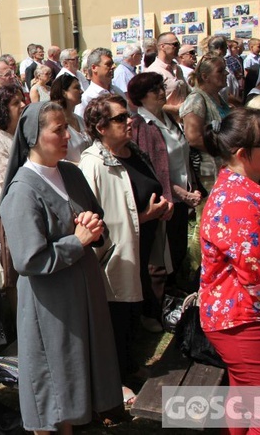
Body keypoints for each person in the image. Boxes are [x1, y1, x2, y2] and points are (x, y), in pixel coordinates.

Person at [0, 101, 122, 434]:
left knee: (78, 370)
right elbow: (28, 258)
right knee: (54, 381)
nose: (68, 135)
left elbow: (97, 223)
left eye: (67, 127)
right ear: (34, 137)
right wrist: (77, 241)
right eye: (58, 129)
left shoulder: (71, 172)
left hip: (83, 293)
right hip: (50, 303)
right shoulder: (22, 192)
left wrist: (93, 226)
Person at [199, 108, 260, 434]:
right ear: (243, 154)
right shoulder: (238, 203)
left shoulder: (257, 184)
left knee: (246, 403)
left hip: (250, 318)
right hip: (245, 322)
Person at [79, 94, 172, 398]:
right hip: (114, 254)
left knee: (132, 312)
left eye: (127, 115)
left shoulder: (132, 151)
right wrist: (147, 215)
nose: (129, 121)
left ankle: (129, 366)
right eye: (120, 118)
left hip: (141, 246)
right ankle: (113, 381)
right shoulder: (94, 163)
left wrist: (162, 208)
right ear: (100, 126)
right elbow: (90, 217)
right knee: (115, 318)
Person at [127, 72, 201, 297]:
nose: (161, 92)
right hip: (165, 199)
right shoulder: (142, 126)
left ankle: (176, 287)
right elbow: (151, 170)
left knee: (178, 245)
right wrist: (180, 193)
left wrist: (192, 187)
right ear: (141, 97)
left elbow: (183, 155)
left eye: (161, 87)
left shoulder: (168, 119)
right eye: (154, 90)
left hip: (182, 195)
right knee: (163, 252)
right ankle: (163, 296)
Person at [179, 54, 231, 195]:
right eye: (220, 71)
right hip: (208, 172)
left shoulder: (218, 97)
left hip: (224, 165)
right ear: (205, 76)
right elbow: (193, 138)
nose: (226, 73)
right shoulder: (196, 100)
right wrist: (223, 150)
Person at [49, 74, 91, 163]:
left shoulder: (80, 120)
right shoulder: (54, 124)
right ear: (64, 93)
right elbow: (56, 159)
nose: (81, 91)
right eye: (77, 88)